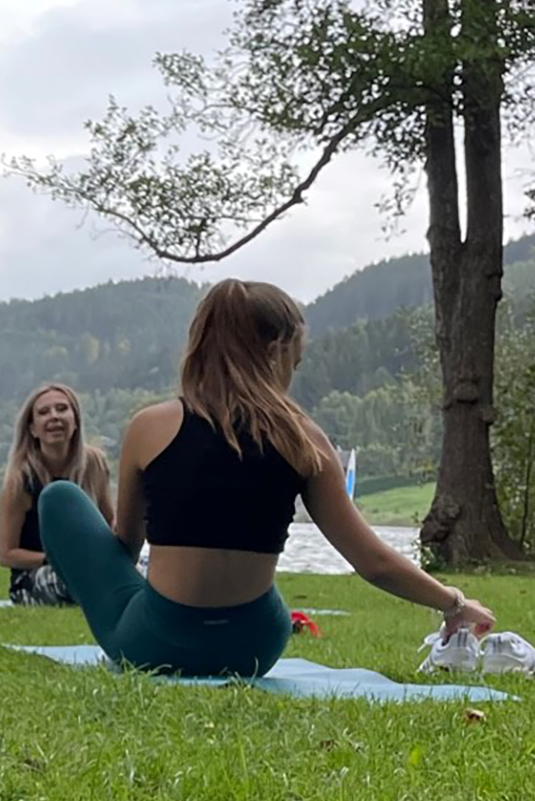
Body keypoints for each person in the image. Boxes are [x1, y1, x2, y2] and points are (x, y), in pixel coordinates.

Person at [37, 279, 495, 678]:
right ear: (276, 352)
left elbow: (125, 548)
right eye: (295, 363)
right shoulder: (304, 438)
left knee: (59, 499)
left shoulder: (149, 426)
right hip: (254, 647)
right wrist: (454, 603)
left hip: (155, 644)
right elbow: (372, 561)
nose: (291, 375)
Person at [0, 383, 113, 606]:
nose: (54, 417)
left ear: (75, 421)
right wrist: (58, 560)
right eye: (44, 412)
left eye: (62, 409)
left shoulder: (94, 464)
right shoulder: (21, 478)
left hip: (90, 568)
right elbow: (6, 554)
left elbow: (110, 523)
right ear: (33, 429)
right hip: (35, 577)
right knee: (79, 581)